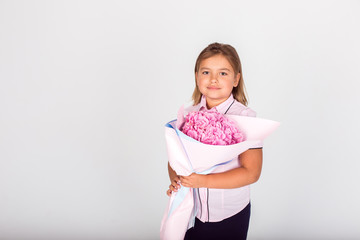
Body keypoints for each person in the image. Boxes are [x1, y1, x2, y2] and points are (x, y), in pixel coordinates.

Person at [166, 42, 263, 240]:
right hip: (194, 212)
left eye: (223, 73)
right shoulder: (188, 115)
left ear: (236, 79)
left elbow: (251, 173)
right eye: (206, 72)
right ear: (196, 76)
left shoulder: (246, 118)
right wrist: (176, 179)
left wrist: (202, 181)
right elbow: (175, 160)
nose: (213, 79)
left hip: (229, 215)